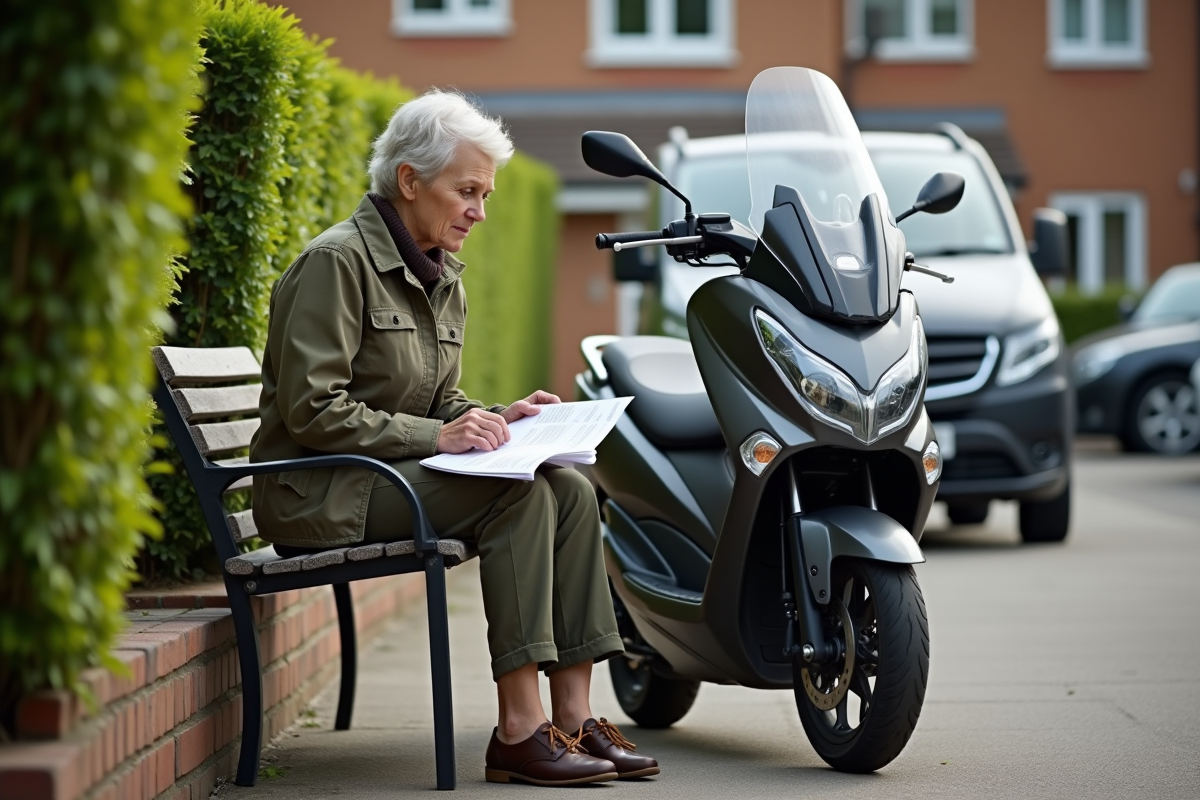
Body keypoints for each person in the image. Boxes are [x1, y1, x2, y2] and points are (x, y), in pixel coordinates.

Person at [248, 89, 658, 786]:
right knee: (520, 497)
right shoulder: (334, 264)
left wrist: (501, 418)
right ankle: (520, 731)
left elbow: (439, 404)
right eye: (466, 190)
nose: (479, 210)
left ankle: (574, 716)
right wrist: (442, 432)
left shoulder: (442, 278)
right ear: (409, 181)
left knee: (568, 487)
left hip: (379, 475)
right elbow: (313, 410)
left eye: (487, 194)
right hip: (316, 489)